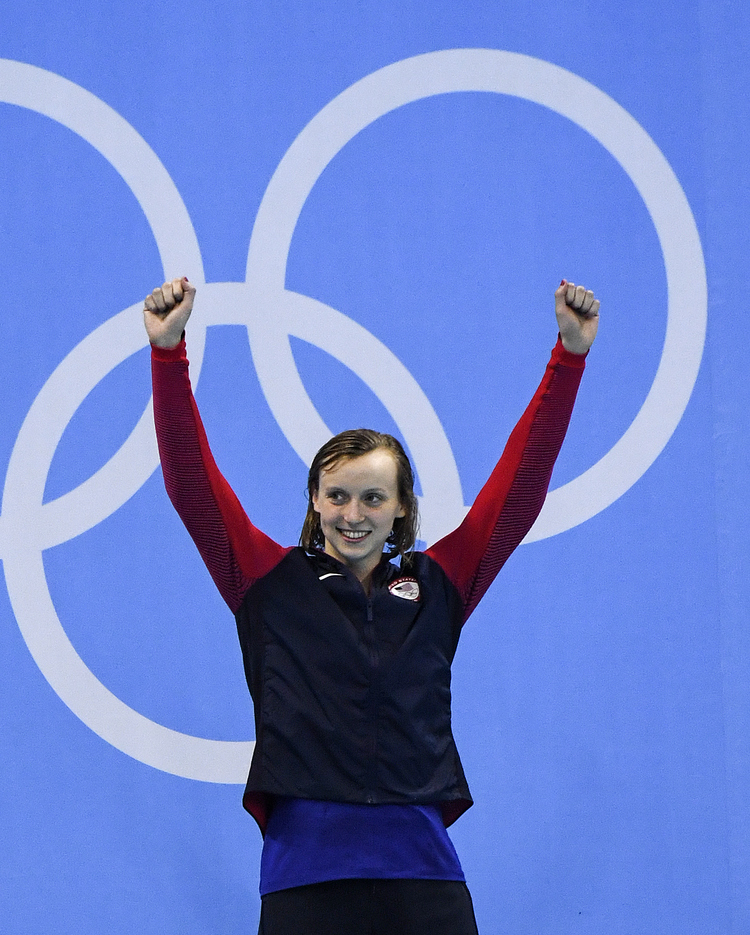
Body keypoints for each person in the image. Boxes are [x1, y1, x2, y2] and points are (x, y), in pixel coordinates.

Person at [143, 278, 599, 935]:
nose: (352, 515)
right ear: (316, 501)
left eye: (373, 498)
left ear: (401, 507)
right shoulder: (265, 581)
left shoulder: (439, 584)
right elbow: (190, 484)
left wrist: (569, 356)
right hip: (305, 877)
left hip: (423, 876)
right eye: (337, 496)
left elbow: (518, 490)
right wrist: (167, 353)